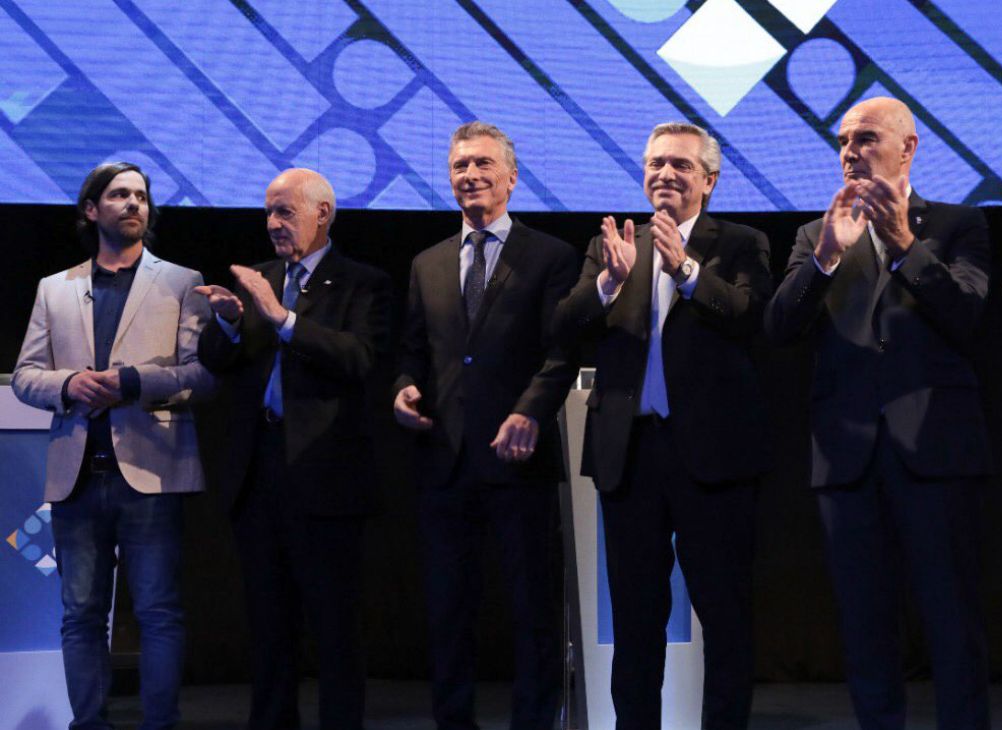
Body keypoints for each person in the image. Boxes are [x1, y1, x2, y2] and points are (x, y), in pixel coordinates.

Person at [765, 98, 993, 729]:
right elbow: (780, 328)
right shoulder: (816, 234)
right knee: (864, 627)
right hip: (847, 457)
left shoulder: (957, 223)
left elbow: (968, 316)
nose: (850, 150)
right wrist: (826, 261)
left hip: (936, 452)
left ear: (907, 148)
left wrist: (902, 242)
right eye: (843, 140)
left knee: (953, 623)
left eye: (865, 137)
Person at [552, 122, 772, 729]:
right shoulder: (615, 245)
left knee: (725, 619)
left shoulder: (742, 242)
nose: (664, 174)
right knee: (636, 621)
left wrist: (691, 272)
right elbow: (564, 326)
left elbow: (752, 317)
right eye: (655, 163)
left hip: (714, 458)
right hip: (632, 455)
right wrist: (609, 283)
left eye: (679, 164)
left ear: (710, 178)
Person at [12, 161, 216, 730]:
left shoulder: (182, 282)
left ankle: (160, 724)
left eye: (141, 196)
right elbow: (27, 375)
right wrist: (69, 384)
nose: (133, 204)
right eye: (120, 194)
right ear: (90, 209)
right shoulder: (56, 288)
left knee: (158, 611)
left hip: (151, 473)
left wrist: (134, 382)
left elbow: (202, 377)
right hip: (78, 475)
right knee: (80, 614)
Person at [392, 121, 579, 730]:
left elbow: (562, 351)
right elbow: (413, 350)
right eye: (458, 167)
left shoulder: (549, 255)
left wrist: (529, 410)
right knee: (448, 614)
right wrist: (402, 389)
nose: (469, 176)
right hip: (444, 463)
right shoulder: (427, 262)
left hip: (518, 461)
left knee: (533, 612)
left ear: (511, 177)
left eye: (481, 165)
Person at [195, 168, 392, 730]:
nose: (273, 223)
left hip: (326, 479)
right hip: (260, 475)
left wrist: (281, 318)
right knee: (267, 624)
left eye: (285, 211)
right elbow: (217, 360)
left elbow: (358, 358)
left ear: (322, 214)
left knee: (334, 628)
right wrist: (231, 324)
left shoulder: (363, 283)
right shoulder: (257, 277)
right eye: (269, 212)